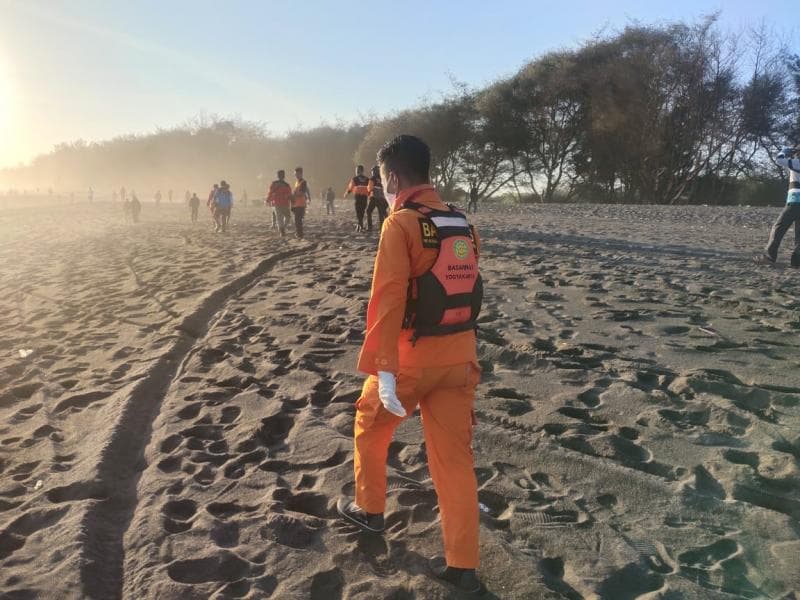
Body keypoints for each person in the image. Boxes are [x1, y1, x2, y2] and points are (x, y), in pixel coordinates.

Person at [337, 135, 485, 594]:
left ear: (394, 179)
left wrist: (382, 368)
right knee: (454, 462)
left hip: (410, 362)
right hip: (460, 358)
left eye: (382, 183)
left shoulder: (400, 224)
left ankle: (370, 512)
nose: (383, 190)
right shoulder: (461, 223)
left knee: (370, 424)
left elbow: (387, 299)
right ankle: (462, 564)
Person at [757, 145, 800, 266]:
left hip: (795, 202)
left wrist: (784, 151)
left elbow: (779, 160)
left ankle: (769, 257)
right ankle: (797, 261)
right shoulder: (795, 164)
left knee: (778, 228)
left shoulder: (797, 163)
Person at [266, 170, 293, 237]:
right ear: (284, 176)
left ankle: (282, 229)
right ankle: (282, 229)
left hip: (277, 203)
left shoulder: (274, 184)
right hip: (285, 203)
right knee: (287, 217)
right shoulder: (287, 185)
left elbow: (270, 192)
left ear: (277, 176)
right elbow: (290, 194)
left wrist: (268, 200)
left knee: (279, 218)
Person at [344, 165, 371, 232]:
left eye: (356, 170)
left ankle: (360, 226)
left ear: (359, 171)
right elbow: (370, 189)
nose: (356, 172)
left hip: (358, 197)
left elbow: (350, 187)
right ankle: (360, 225)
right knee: (361, 212)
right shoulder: (367, 179)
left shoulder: (355, 179)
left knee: (359, 212)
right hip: (364, 198)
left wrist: (346, 193)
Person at [366, 165, 389, 232]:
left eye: (372, 171)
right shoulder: (382, 178)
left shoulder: (372, 178)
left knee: (369, 211)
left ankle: (370, 227)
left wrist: (369, 193)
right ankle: (382, 228)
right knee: (381, 213)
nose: (372, 172)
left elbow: (369, 188)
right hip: (381, 198)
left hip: (373, 198)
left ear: (374, 171)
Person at [292, 166, 311, 239]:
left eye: (296, 174)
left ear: (301, 174)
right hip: (296, 204)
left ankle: (300, 234)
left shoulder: (303, 182)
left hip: (300, 204)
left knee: (298, 220)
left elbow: (303, 193)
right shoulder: (297, 182)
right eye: (295, 174)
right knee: (297, 220)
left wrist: (293, 195)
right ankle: (299, 233)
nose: (295, 176)